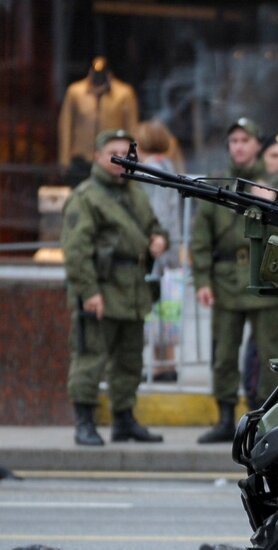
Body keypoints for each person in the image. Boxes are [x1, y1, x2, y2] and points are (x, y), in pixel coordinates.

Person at [62, 129, 168, 446]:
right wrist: (89, 292)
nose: (121, 158)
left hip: (133, 289)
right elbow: (76, 251)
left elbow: (153, 226)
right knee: (90, 357)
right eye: (113, 152)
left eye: (126, 152)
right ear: (97, 156)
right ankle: (84, 422)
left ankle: (124, 419)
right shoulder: (86, 197)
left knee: (129, 359)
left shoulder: (135, 192)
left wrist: (160, 239)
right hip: (102, 288)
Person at [191, 117, 278, 443]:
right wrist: (202, 280)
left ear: (258, 145)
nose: (240, 147)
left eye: (245, 141)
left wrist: (275, 203)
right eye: (234, 141)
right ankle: (223, 417)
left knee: (269, 353)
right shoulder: (219, 184)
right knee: (224, 353)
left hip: (264, 279)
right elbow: (201, 240)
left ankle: (264, 416)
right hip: (226, 280)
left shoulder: (274, 184)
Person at [133, 119, 186, 382]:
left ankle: (154, 366)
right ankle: (167, 363)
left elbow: (157, 212)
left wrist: (154, 242)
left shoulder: (149, 171)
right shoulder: (169, 167)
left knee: (150, 307)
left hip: (156, 251)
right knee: (167, 310)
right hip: (171, 250)